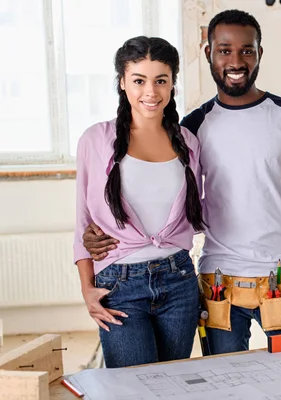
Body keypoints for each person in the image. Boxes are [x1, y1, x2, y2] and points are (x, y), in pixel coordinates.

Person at [81, 9, 281, 356]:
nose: (236, 60)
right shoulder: (192, 129)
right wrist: (101, 232)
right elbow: (158, 195)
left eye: (247, 50)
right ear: (209, 53)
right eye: (224, 50)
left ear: (259, 54)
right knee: (225, 385)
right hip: (218, 284)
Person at [73, 36, 205, 368]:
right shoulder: (96, 139)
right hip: (119, 285)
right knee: (133, 386)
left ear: (173, 83)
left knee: (173, 384)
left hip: (179, 281)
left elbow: (201, 210)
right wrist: (87, 289)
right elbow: (82, 221)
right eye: (139, 80)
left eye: (161, 80)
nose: (151, 91)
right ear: (122, 82)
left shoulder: (188, 142)